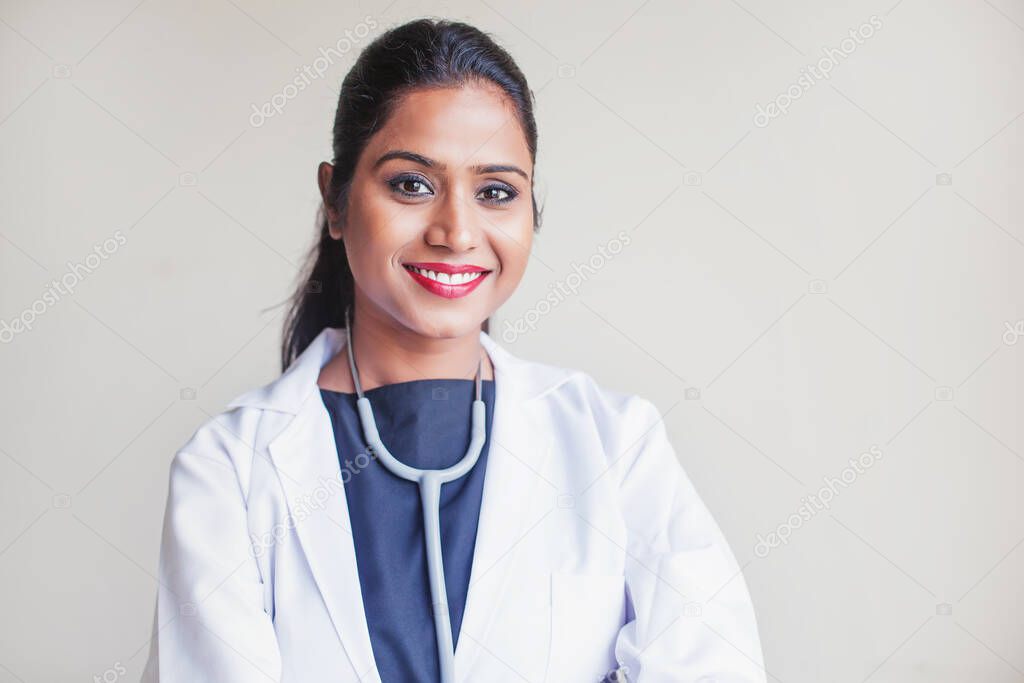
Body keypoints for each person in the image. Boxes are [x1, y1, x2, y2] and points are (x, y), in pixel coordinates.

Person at [142, 18, 766, 683]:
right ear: (335, 198)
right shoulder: (228, 472)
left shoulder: (616, 445)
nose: (456, 231)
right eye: (412, 184)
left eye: (496, 192)